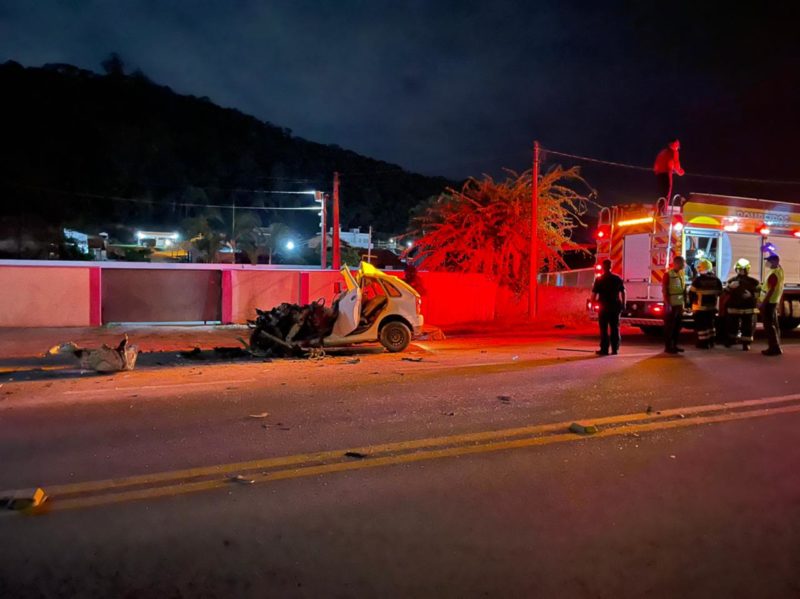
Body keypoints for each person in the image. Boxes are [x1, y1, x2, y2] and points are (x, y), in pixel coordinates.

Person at [723, 258, 760, 351]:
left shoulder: (754, 282)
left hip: (748, 308)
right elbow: (724, 293)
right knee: (732, 325)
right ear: (736, 270)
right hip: (734, 307)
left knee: (747, 326)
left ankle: (746, 343)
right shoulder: (732, 280)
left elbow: (759, 294)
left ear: (747, 270)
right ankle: (732, 340)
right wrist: (729, 287)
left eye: (743, 269)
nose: (741, 271)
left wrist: (751, 296)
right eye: (739, 269)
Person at [591, 259, 626, 356]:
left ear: (603, 267)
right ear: (611, 267)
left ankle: (604, 349)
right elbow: (623, 292)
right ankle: (615, 349)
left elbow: (593, 294)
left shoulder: (599, 279)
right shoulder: (617, 278)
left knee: (603, 328)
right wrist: (623, 304)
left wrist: (593, 305)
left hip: (603, 307)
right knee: (615, 328)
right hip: (615, 306)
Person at [688, 259, 722, 349]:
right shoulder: (717, 280)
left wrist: (689, 305)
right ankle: (711, 342)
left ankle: (703, 343)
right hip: (711, 308)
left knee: (701, 327)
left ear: (700, 269)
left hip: (699, 308)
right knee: (710, 325)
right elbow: (720, 293)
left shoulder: (698, 280)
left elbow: (691, 294)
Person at [760, 253, 785, 356]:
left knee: (769, 326)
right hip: (774, 302)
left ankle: (773, 348)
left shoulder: (773, 274)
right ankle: (776, 346)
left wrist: (763, 303)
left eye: (769, 261)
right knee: (774, 325)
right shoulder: (779, 270)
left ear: (775, 261)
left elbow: (771, 290)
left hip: (769, 303)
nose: (767, 263)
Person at [662, 255, 686, 354]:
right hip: (671, 305)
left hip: (679, 305)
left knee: (677, 327)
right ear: (676, 263)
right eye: (682, 263)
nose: (684, 265)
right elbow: (664, 290)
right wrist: (668, 304)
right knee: (670, 327)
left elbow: (682, 289)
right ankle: (668, 347)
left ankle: (674, 345)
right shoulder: (668, 274)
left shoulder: (681, 274)